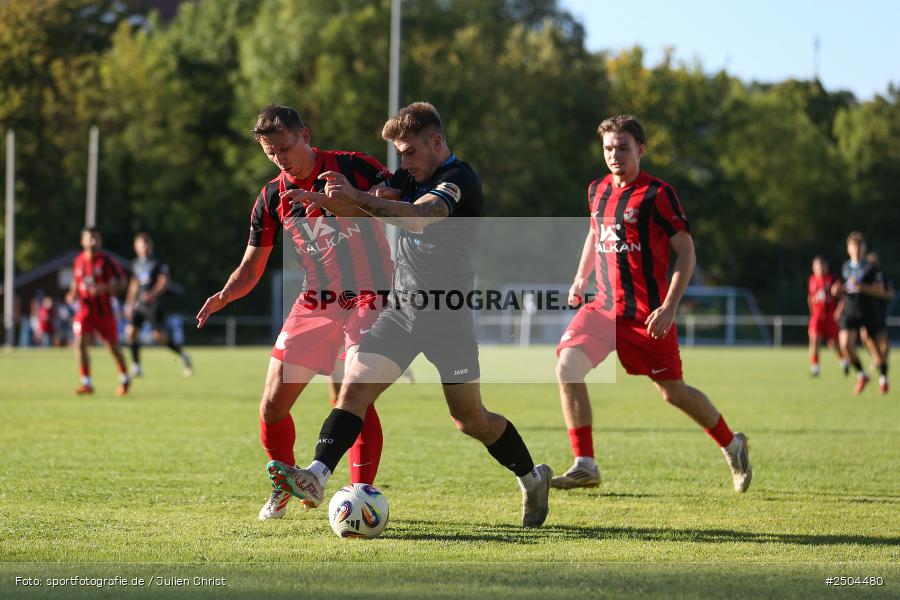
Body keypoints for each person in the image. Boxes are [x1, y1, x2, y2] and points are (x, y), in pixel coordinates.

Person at [265, 101, 553, 528]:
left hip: (446, 317)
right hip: (400, 311)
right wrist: (336, 201)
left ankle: (531, 479)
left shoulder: (458, 179)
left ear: (435, 142)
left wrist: (360, 197)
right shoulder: (408, 176)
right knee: (353, 391)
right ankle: (317, 474)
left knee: (469, 419)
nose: (403, 163)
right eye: (399, 155)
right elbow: (370, 206)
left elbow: (422, 218)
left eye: (410, 152)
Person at [195, 104, 391, 521]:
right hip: (316, 302)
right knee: (271, 405)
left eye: (284, 146)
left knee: (351, 394)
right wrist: (226, 294)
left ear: (305, 134)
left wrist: (346, 200)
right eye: (270, 152)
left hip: (370, 295)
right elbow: (252, 265)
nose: (280, 157)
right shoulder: (271, 198)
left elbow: (396, 201)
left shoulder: (352, 167)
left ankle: (360, 493)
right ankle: (284, 485)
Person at [551, 115, 751, 493]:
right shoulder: (597, 190)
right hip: (604, 309)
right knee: (567, 366)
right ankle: (585, 463)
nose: (615, 155)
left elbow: (686, 251)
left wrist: (671, 306)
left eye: (623, 148)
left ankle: (731, 443)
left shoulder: (658, 195)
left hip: (647, 316)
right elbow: (595, 232)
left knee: (673, 392)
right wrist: (582, 277)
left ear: (640, 149)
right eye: (609, 148)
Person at [66, 227, 131, 395]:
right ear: (83, 241)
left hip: (105, 312)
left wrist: (105, 288)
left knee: (113, 347)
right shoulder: (79, 260)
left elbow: (123, 282)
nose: (93, 242)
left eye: (96, 239)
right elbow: (76, 281)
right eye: (90, 238)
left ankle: (125, 378)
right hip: (85, 310)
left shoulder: (107, 261)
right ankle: (86, 382)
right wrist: (72, 293)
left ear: (100, 241)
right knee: (79, 342)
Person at [124, 233, 192, 377]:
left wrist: (152, 294)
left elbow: (164, 281)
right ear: (136, 247)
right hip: (140, 304)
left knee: (159, 336)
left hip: (154, 304)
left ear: (151, 245)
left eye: (146, 244)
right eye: (141, 245)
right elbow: (134, 284)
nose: (144, 247)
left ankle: (183, 354)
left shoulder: (158, 261)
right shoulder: (136, 263)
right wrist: (129, 303)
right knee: (131, 332)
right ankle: (136, 367)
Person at [835, 232, 889, 394]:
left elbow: (879, 290)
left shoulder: (871, 267)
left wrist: (861, 286)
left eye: (859, 246)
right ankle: (862, 374)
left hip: (868, 311)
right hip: (850, 310)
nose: (856, 249)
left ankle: (883, 377)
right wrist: (838, 291)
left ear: (864, 248)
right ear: (848, 249)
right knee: (845, 344)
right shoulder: (845, 267)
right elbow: (847, 290)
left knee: (875, 350)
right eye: (853, 246)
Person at [807, 256, 842, 376]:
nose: (820, 269)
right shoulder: (812, 280)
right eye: (817, 266)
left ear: (826, 267)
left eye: (822, 266)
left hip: (830, 317)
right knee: (814, 339)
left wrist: (838, 311)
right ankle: (815, 366)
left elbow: (842, 298)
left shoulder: (832, 280)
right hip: (817, 317)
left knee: (833, 343)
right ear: (813, 268)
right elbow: (810, 297)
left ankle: (843, 360)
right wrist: (812, 312)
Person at [862, 251, 893, 368]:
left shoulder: (882, 277)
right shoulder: (863, 278)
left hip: (879, 312)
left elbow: (890, 294)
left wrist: (876, 293)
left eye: (873, 263)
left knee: (883, 339)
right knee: (865, 337)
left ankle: (883, 360)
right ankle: (877, 357)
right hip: (865, 312)